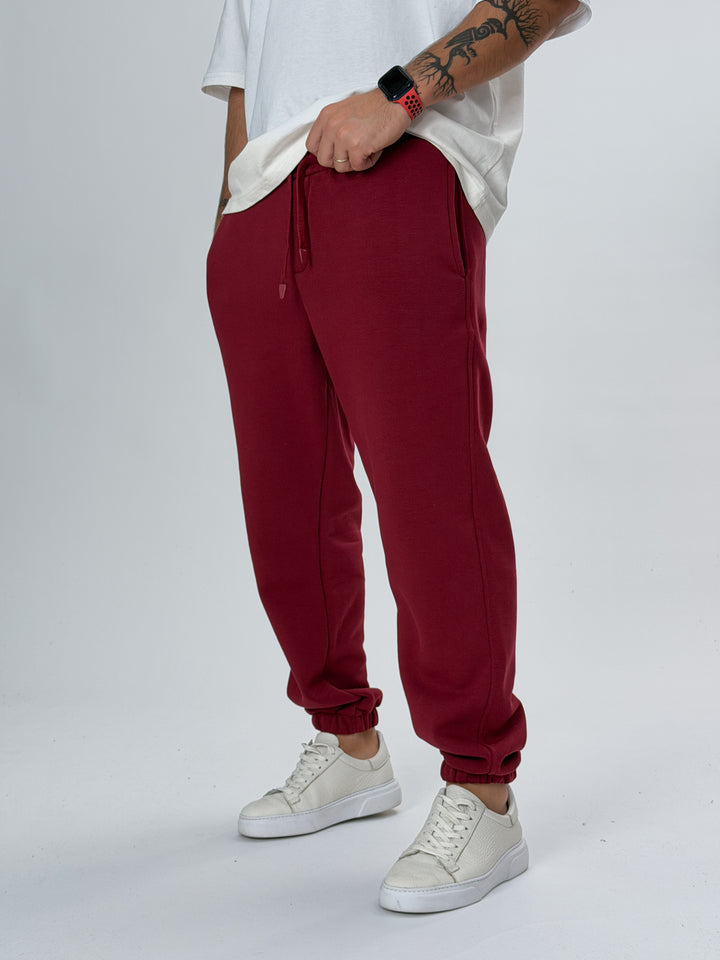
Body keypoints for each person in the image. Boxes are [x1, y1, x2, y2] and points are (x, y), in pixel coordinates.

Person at [202, 0, 591, 914]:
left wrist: (397, 96)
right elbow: (247, 73)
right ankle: (347, 744)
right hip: (262, 200)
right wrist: (230, 220)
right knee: (286, 500)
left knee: (430, 492)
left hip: (403, 157)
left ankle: (483, 788)